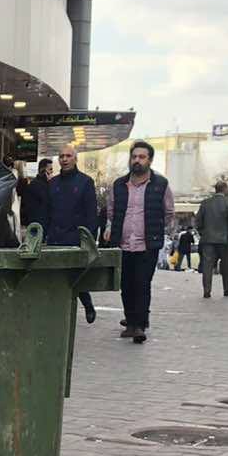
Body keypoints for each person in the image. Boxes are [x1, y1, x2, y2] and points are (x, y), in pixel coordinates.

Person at [105, 140, 174, 343]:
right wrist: (112, 230)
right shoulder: (119, 185)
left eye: (142, 157)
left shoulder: (160, 185)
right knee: (126, 284)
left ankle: (140, 325)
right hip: (123, 243)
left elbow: (168, 212)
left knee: (142, 284)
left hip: (147, 244)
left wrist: (155, 229)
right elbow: (111, 210)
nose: (137, 160)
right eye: (134, 157)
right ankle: (131, 320)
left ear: (150, 160)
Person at [45, 145, 100, 323]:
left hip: (76, 237)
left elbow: (92, 213)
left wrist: (89, 238)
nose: (65, 159)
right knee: (56, 277)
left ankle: (87, 305)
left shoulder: (85, 182)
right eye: (61, 156)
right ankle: (57, 312)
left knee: (76, 276)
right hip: (55, 237)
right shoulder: (53, 184)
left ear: (75, 159)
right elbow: (47, 212)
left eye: (68, 156)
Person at [195, 179, 228, 298]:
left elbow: (198, 221)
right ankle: (227, 289)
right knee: (226, 266)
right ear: (224, 189)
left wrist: (203, 233)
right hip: (224, 240)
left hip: (208, 239)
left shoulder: (205, 203)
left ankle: (207, 290)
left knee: (207, 266)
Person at [20, 157, 52, 236]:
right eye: (50, 169)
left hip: (34, 226)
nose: (52, 172)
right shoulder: (41, 186)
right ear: (44, 171)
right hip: (40, 228)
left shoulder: (33, 184)